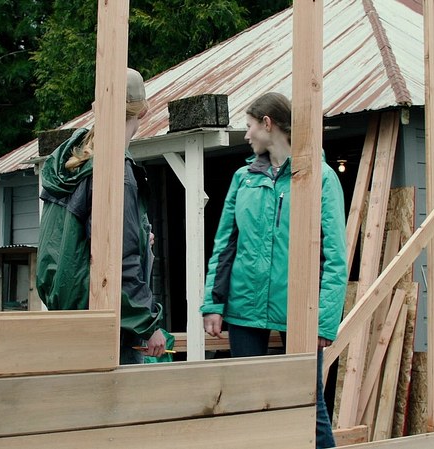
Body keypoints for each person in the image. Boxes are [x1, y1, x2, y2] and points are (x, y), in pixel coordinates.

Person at [200, 92, 347, 448]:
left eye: (250, 126)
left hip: (297, 311)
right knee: (248, 406)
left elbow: (335, 256)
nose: (246, 135)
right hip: (244, 307)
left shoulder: (321, 178)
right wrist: (213, 303)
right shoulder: (243, 178)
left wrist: (324, 321)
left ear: (268, 124)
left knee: (307, 406)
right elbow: (225, 244)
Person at [36, 68, 166, 365]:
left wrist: (138, 235)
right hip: (110, 319)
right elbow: (120, 259)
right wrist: (148, 324)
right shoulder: (116, 170)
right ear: (143, 111)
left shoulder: (73, 161)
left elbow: (75, 243)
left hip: (71, 313)